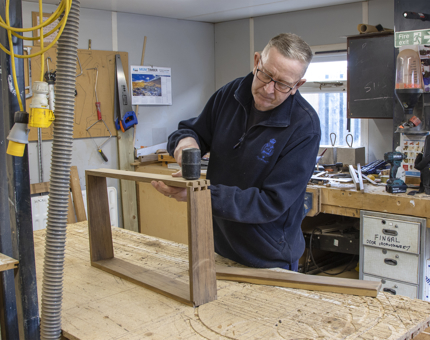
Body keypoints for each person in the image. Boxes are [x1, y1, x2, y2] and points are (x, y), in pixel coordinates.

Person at [151, 33, 321, 271]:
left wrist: (202, 195)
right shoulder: (230, 94)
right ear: (256, 61)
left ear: (297, 86)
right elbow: (192, 130)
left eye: (282, 84)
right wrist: (186, 145)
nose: (269, 89)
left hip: (269, 258)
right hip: (217, 245)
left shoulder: (304, 126)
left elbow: (270, 203)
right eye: (266, 75)